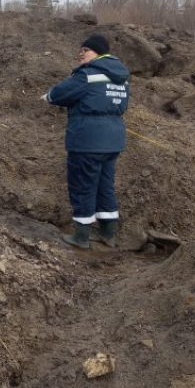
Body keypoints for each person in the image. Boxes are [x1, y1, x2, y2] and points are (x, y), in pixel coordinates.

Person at [41, 34, 130, 249]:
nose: (81, 53)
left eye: (86, 50)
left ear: (99, 52)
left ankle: (81, 237)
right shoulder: (122, 77)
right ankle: (108, 235)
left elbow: (58, 95)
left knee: (82, 186)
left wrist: (46, 97)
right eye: (80, 49)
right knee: (104, 186)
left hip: (87, 141)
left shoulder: (87, 75)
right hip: (113, 140)